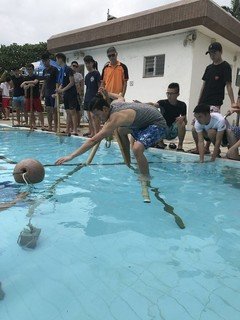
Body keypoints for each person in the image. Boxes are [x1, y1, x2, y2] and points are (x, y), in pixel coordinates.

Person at [55, 89, 167, 179]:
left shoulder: (115, 118)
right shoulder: (114, 104)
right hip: (143, 124)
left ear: (104, 109)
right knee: (120, 131)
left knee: (137, 148)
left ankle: (145, 177)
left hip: (158, 125)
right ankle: (128, 161)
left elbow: (93, 140)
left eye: (98, 115)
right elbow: (120, 96)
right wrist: (107, 93)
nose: (98, 118)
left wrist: (71, 156)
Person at [190, 42, 237, 154]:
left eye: (214, 53)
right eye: (210, 53)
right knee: (196, 126)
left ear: (220, 52)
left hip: (215, 102)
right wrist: (198, 102)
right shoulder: (208, 68)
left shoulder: (225, 66)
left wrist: (233, 102)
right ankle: (199, 148)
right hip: (204, 102)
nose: (212, 55)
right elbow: (203, 85)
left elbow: (228, 85)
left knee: (211, 125)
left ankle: (207, 147)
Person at [155, 83, 187, 151]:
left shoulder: (182, 105)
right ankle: (160, 143)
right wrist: (141, 104)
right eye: (168, 93)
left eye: (171, 94)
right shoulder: (162, 102)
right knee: (157, 120)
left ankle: (180, 146)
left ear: (177, 94)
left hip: (173, 130)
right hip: (164, 129)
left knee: (182, 123)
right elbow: (153, 105)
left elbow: (186, 121)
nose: (169, 95)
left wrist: (183, 118)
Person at [55, 53, 79, 136]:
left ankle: (75, 130)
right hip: (65, 93)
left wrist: (62, 90)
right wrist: (58, 90)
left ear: (60, 59)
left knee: (73, 112)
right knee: (68, 112)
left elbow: (72, 82)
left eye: (56, 59)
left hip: (71, 93)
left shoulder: (68, 69)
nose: (56, 61)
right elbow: (62, 83)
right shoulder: (61, 70)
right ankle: (67, 129)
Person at [21, 64, 44, 129]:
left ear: (33, 69)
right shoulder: (26, 77)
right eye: (28, 69)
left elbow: (35, 82)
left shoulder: (36, 76)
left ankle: (42, 125)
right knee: (31, 111)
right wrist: (28, 85)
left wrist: (26, 82)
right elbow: (23, 86)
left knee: (39, 111)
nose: (29, 71)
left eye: (30, 69)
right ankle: (34, 124)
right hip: (28, 96)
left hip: (36, 96)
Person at [83, 55, 101, 137]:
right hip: (87, 98)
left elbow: (99, 86)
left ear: (92, 63)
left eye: (88, 63)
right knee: (89, 117)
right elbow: (87, 88)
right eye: (86, 63)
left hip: (94, 98)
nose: (87, 65)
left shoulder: (96, 73)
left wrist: (98, 97)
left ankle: (97, 133)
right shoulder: (87, 76)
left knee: (95, 116)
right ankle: (92, 132)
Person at [40, 53, 59, 132]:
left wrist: (57, 92)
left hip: (53, 92)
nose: (44, 63)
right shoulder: (44, 70)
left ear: (49, 60)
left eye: (45, 61)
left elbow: (58, 81)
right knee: (48, 110)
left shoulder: (54, 69)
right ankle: (50, 126)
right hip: (47, 93)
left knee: (54, 110)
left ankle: (55, 127)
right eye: (43, 61)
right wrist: (42, 92)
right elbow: (44, 82)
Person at [71, 61, 84, 129]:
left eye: (76, 66)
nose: (74, 67)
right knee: (72, 111)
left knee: (78, 111)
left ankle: (78, 125)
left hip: (77, 94)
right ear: (71, 66)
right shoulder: (69, 74)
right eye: (73, 65)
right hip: (70, 94)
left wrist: (81, 91)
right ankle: (72, 126)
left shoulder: (79, 75)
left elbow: (82, 84)